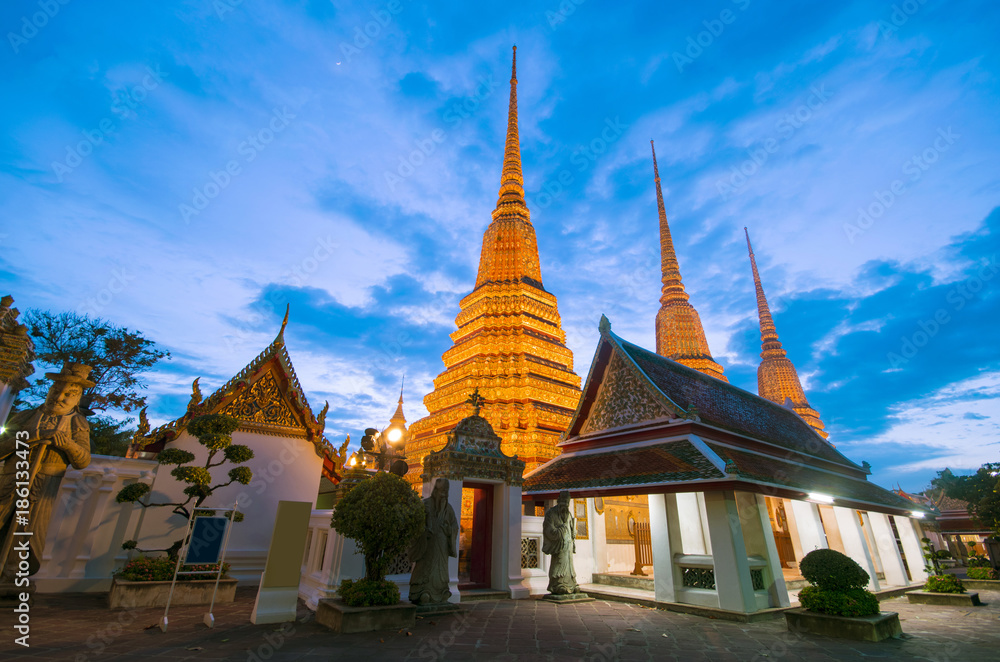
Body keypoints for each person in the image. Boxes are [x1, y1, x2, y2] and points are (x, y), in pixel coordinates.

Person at [0, 363, 93, 581]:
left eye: (69, 394)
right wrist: (27, 438)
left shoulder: (77, 422)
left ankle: (13, 574)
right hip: (10, 479)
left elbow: (83, 461)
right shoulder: (26, 417)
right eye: (55, 391)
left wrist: (67, 445)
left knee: (28, 532)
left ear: (77, 398)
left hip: (43, 486)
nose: (59, 397)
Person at [408, 477, 458, 605]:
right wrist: (424, 531)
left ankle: (441, 591)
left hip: (442, 545)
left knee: (441, 570)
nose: (443, 495)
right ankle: (422, 592)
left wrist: (448, 530)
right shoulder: (425, 505)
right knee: (426, 566)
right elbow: (416, 524)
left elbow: (455, 526)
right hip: (428, 544)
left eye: (445, 492)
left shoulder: (449, 509)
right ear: (435, 490)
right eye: (441, 491)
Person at [543, 490, 580, 595]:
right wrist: (559, 531)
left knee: (569, 565)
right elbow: (548, 529)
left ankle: (571, 585)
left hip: (568, 545)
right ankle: (557, 584)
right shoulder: (551, 513)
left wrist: (574, 532)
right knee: (559, 564)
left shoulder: (568, 514)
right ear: (558, 500)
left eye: (567, 501)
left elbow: (570, 527)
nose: (565, 504)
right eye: (563, 501)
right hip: (559, 545)